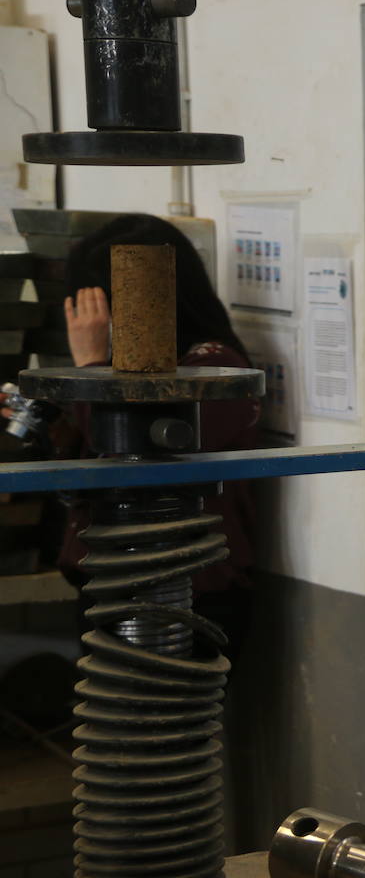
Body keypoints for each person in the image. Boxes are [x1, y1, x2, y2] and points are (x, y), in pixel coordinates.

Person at [56, 214, 261, 657]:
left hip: (190, 595)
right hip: (110, 585)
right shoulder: (122, 372)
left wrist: (91, 367)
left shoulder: (216, 368)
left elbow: (131, 440)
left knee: (169, 720)